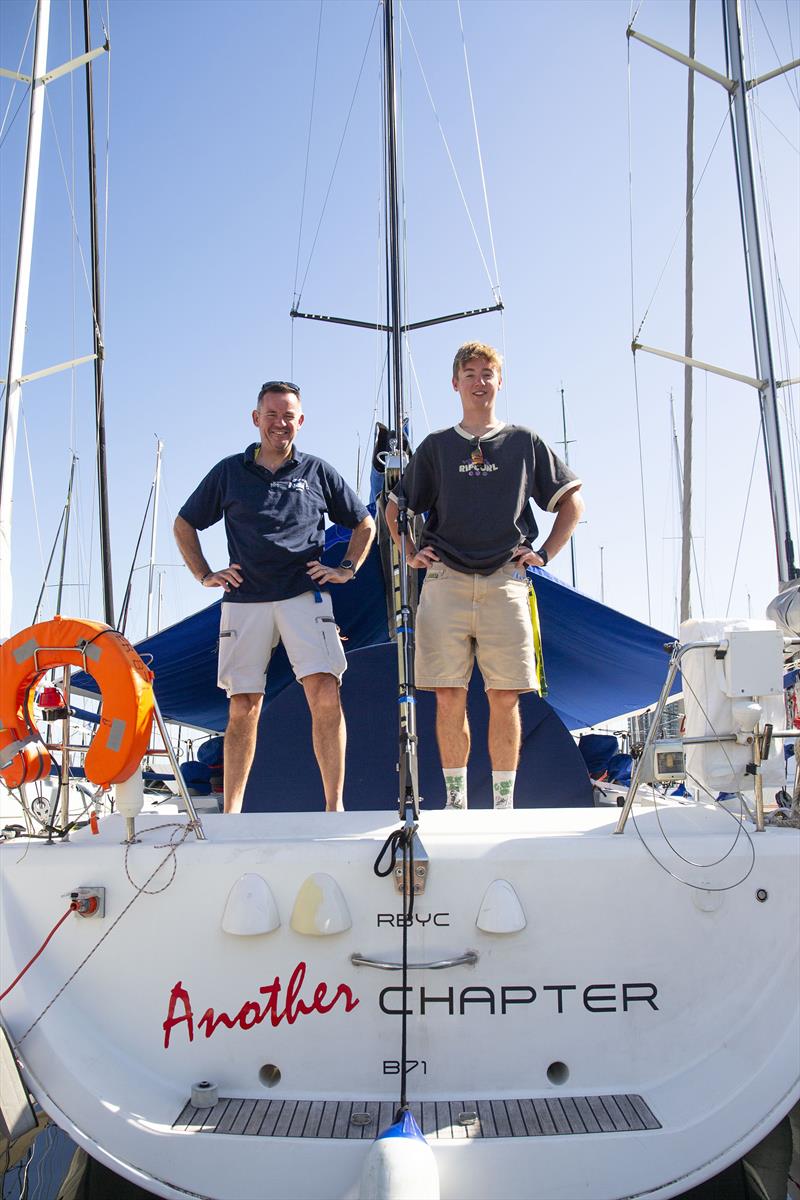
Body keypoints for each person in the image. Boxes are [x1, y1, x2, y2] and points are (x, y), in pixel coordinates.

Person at [386, 342, 584, 811]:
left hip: (506, 581)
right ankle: (456, 803)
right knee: (449, 696)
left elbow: (572, 500)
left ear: (500, 381)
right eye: (469, 373)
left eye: (487, 373)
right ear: (455, 383)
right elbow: (395, 507)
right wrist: (410, 552)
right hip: (445, 581)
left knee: (505, 697)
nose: (479, 381)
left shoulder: (524, 442)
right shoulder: (436, 447)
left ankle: (502, 805)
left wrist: (545, 553)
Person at [174, 381, 375, 814]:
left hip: (305, 596)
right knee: (243, 704)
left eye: (288, 416)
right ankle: (232, 811)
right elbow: (184, 523)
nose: (280, 423)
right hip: (244, 601)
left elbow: (365, 524)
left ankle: (333, 806)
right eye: (272, 414)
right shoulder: (229, 472)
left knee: (324, 691)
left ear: (299, 422)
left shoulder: (317, 472)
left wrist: (347, 569)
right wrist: (204, 573)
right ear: (256, 418)